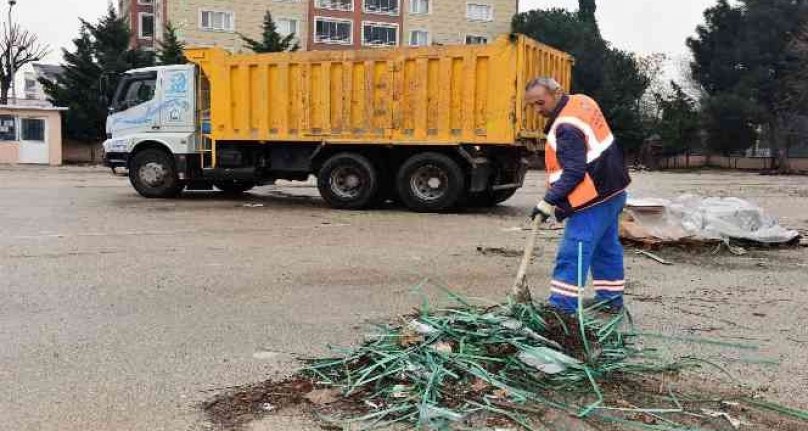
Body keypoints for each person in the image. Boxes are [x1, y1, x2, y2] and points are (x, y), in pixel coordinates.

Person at [524, 77, 631, 313]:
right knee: (606, 247)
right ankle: (610, 299)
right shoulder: (583, 101)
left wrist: (547, 201)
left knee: (574, 251)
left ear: (557, 92)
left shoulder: (566, 127)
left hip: (592, 198)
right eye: (532, 105)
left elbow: (574, 171)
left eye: (540, 103)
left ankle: (562, 308)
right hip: (614, 189)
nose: (538, 110)